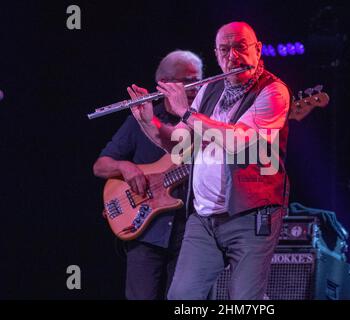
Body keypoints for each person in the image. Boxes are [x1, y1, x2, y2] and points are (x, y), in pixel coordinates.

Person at [131, 22, 291, 300]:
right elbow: (181, 149)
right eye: (225, 50)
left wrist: (185, 112)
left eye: (240, 47)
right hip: (204, 217)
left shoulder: (274, 92)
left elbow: (240, 142)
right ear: (216, 54)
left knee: (245, 300)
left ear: (258, 49)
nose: (233, 57)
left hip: (252, 215)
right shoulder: (209, 90)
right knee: (181, 297)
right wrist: (149, 122)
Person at [93, 50, 203, 300]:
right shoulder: (139, 118)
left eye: (198, 80)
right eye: (187, 81)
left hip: (190, 233)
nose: (195, 88)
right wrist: (125, 167)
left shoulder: (204, 121)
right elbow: (100, 165)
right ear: (164, 84)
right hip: (146, 231)